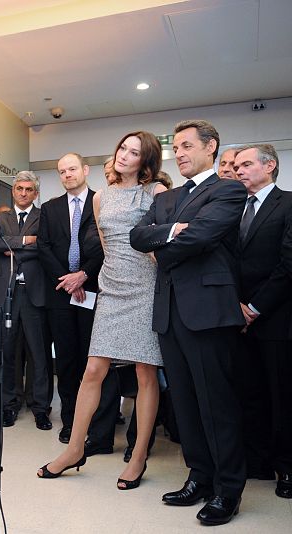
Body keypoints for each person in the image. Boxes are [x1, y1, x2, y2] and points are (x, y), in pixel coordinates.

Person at [130, 119, 247, 526]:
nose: (177, 153)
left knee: (217, 403)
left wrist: (163, 248)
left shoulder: (229, 189)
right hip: (169, 314)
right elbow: (136, 236)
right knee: (185, 403)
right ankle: (200, 476)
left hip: (208, 312)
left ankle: (229, 489)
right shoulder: (167, 198)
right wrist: (170, 233)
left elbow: (203, 236)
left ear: (210, 146)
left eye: (185, 146)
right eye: (174, 148)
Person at [37, 132, 167, 491]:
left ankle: (139, 455)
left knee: (145, 374)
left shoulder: (155, 192)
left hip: (144, 287)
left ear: (146, 159)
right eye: (123, 148)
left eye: (134, 152)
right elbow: (107, 245)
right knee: (93, 369)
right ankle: (74, 449)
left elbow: (157, 242)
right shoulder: (103, 197)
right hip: (112, 288)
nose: (125, 155)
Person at [37, 153, 119, 450]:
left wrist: (83, 275)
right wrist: (67, 280)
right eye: (62, 171)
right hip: (61, 294)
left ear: (85, 170)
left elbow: (109, 246)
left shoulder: (103, 202)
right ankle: (71, 423)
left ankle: (99, 429)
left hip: (95, 290)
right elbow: (43, 247)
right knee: (68, 362)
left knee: (95, 362)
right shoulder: (50, 208)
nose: (67, 174)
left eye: (72, 169)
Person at [231, 144, 292, 498]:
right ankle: (257, 460)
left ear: (269, 166)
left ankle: (286, 466)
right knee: (249, 392)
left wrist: (254, 307)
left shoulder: (288, 203)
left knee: (281, 395)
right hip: (236, 318)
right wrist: (235, 306)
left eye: (246, 164)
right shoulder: (233, 208)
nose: (238, 170)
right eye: (236, 166)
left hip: (275, 318)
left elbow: (288, 265)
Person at [0, 172, 51, 430]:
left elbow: (46, 245)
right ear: (13, 191)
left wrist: (12, 246)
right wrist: (26, 241)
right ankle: (9, 406)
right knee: (8, 351)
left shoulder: (43, 216)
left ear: (35, 193)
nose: (23, 193)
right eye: (19, 188)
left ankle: (40, 408)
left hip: (35, 291)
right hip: (7, 291)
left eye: (28, 189)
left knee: (39, 353)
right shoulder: (0, 217)